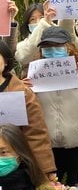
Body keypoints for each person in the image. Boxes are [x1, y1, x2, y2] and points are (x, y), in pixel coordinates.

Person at [34, 27, 78, 185]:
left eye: (58, 47)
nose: (52, 51)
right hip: (47, 148)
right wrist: (26, 90)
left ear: (69, 48)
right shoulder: (34, 74)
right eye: (47, 48)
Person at [0, 41, 57, 179]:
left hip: (14, 165)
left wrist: (45, 169)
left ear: (6, 61)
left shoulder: (21, 92)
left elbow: (36, 133)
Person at [15, 1, 78, 68]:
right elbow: (24, 57)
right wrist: (44, 23)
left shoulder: (61, 37)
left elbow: (69, 37)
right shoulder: (22, 46)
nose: (38, 22)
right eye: (32, 19)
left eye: (42, 17)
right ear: (27, 24)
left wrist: (66, 12)